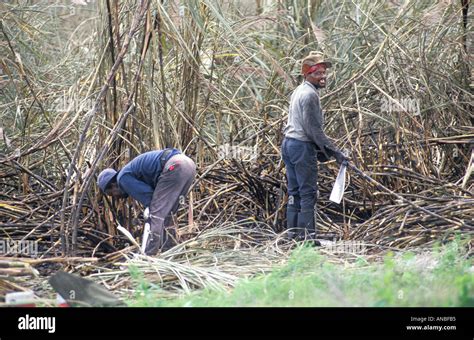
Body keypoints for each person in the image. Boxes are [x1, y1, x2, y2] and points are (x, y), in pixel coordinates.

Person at [281, 51, 348, 241]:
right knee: (308, 194)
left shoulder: (299, 90)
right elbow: (313, 131)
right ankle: (308, 240)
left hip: (289, 144)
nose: (323, 76)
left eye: (324, 72)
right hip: (301, 146)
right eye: (318, 73)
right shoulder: (310, 95)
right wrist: (336, 152)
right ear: (307, 74)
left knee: (294, 193)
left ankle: (291, 236)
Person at [97, 149, 196, 255]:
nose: (117, 198)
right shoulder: (127, 173)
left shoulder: (122, 179)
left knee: (155, 213)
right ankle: (170, 250)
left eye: (112, 194)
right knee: (169, 213)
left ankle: (149, 254)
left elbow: (150, 198)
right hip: (188, 165)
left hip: (175, 166)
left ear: (112, 185)